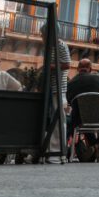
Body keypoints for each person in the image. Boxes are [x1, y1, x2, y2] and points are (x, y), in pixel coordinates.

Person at [66, 58, 99, 161]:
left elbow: (70, 102)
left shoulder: (71, 82)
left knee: (83, 121)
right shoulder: (98, 79)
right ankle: (97, 146)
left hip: (80, 120)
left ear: (78, 69)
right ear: (90, 69)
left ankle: (93, 147)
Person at [39, 23, 72, 164]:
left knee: (57, 121)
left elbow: (67, 64)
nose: (41, 37)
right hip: (50, 88)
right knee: (52, 120)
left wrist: (49, 67)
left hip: (57, 88)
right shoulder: (49, 47)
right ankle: (49, 150)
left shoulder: (60, 45)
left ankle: (56, 152)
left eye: (43, 34)